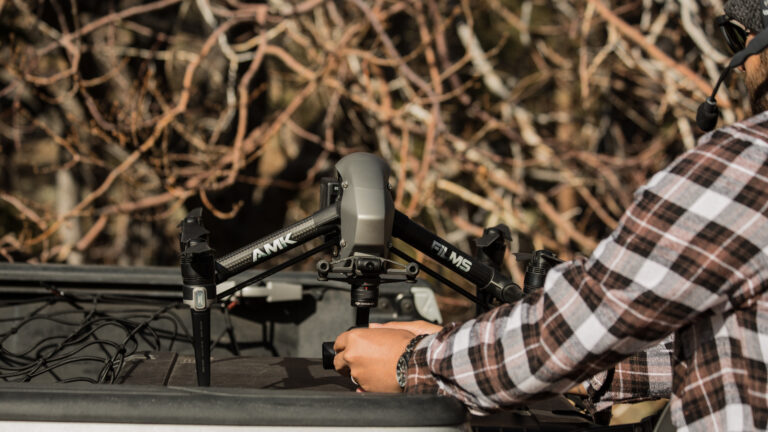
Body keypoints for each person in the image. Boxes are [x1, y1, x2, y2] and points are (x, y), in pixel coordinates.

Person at [332, 0, 768, 430]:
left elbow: (577, 324)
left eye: (735, 37)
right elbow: (721, 352)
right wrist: (582, 373)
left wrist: (415, 364)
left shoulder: (744, 169)